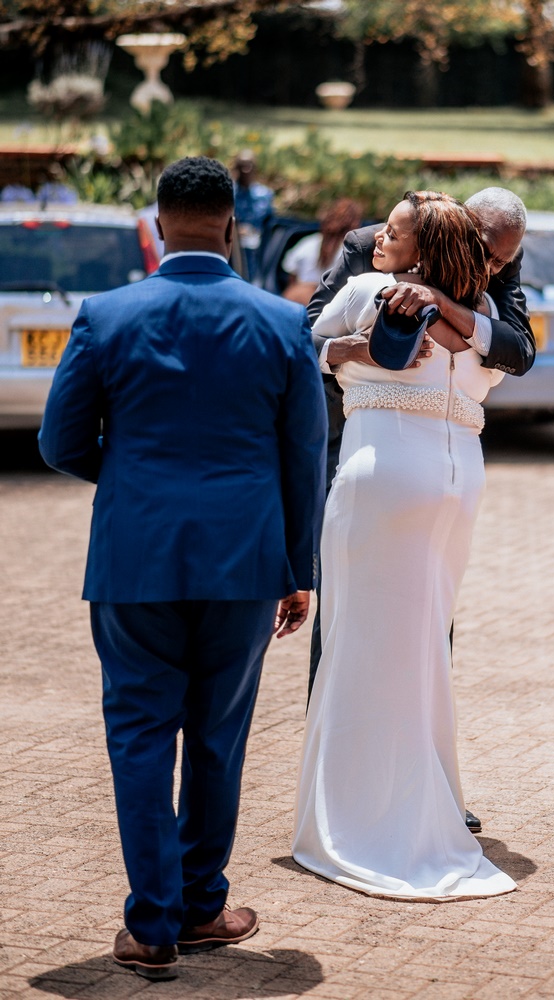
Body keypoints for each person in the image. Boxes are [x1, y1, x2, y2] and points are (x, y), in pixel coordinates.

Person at [38, 156, 327, 981]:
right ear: (232, 225)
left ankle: (154, 924)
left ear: (159, 223)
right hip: (245, 562)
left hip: (135, 557)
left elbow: (59, 441)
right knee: (216, 739)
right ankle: (201, 906)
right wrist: (298, 567)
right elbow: (304, 457)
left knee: (139, 736)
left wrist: (132, 483)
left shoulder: (106, 314)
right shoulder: (282, 322)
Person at [292, 190, 517, 900]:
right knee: (422, 646)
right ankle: (428, 800)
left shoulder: (370, 291)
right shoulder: (482, 315)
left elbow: (289, 349)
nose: (377, 241)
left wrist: (340, 350)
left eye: (392, 231)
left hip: (383, 477)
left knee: (357, 643)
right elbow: (504, 356)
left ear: (423, 248)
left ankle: (355, 818)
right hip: (457, 486)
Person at [282, 198, 362, 305]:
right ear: (354, 224)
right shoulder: (351, 253)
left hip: (294, 301)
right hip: (323, 306)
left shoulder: (306, 243)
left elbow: (291, 278)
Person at [230, 149, 274, 281]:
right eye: (242, 165)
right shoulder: (229, 193)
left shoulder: (265, 194)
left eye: (249, 165)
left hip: (257, 251)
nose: (246, 170)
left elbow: (270, 223)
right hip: (233, 250)